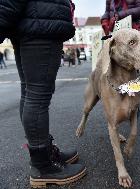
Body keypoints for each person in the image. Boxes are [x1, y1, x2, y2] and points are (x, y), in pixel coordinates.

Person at [0, 0, 86, 188]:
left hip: (32, 21)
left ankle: (43, 154)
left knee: (30, 93)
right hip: (40, 24)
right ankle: (43, 167)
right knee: (37, 97)